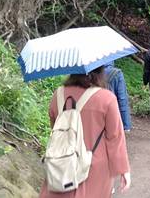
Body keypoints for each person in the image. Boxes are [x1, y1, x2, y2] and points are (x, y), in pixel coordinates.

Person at [39, 66, 131, 198]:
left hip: (63, 165)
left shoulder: (58, 94)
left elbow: (56, 129)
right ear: (100, 72)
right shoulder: (106, 98)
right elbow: (115, 137)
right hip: (94, 168)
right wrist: (123, 169)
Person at [104, 62, 132, 132]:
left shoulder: (92, 73)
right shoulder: (117, 73)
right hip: (113, 113)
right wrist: (126, 125)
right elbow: (122, 99)